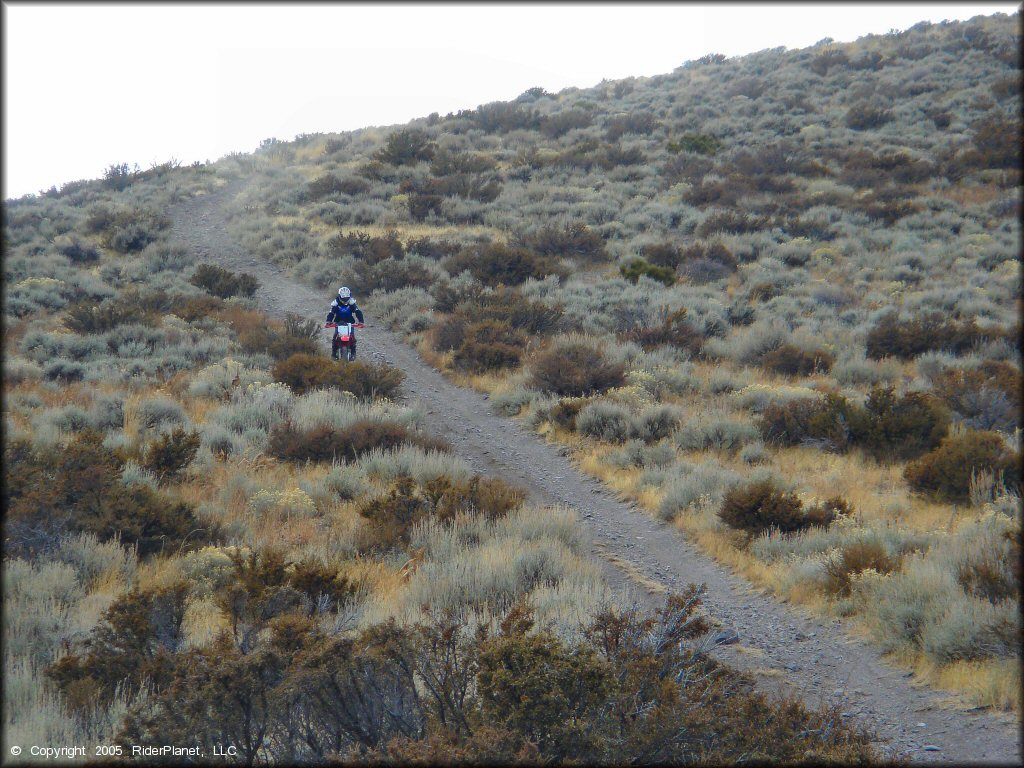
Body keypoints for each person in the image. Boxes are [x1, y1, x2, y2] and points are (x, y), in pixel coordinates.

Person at [326, 286, 365, 359]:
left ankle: (353, 353)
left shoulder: (352, 302)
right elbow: (331, 313)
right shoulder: (336, 302)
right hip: (338, 322)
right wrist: (328, 321)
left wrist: (361, 321)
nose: (345, 300)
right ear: (340, 296)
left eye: (347, 298)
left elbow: (357, 312)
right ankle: (334, 354)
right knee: (335, 337)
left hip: (350, 322)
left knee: (352, 337)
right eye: (344, 298)